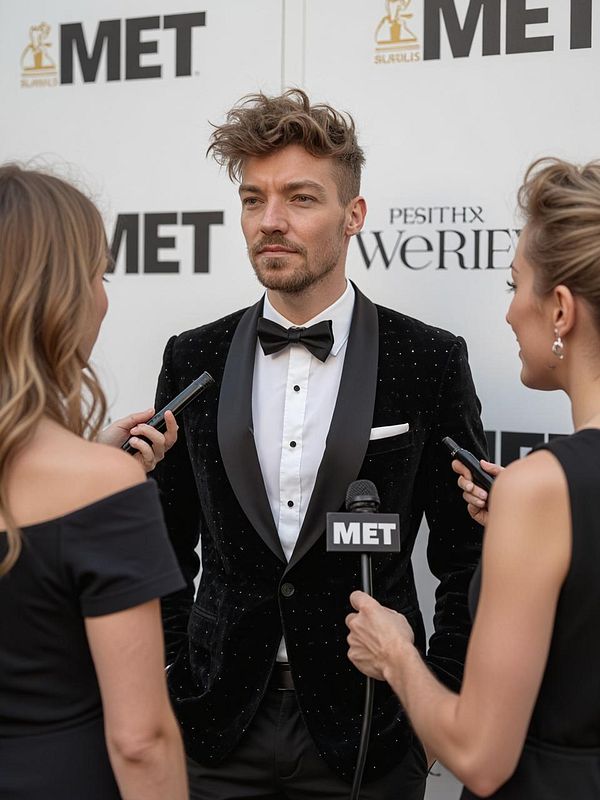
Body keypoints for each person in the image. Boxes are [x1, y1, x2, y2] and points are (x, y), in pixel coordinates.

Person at [154, 88, 486, 799]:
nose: (270, 222)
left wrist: (441, 700)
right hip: (215, 726)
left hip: (369, 727)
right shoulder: (193, 360)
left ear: (354, 215)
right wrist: (176, 674)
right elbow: (162, 541)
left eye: (300, 198)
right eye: (253, 199)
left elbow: (468, 551)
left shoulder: (426, 358)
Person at [346, 158, 600, 799]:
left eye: (516, 285)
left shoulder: (543, 491)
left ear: (562, 310)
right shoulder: (540, 497)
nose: (512, 313)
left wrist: (396, 654)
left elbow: (478, 756)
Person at [0, 164, 188, 800]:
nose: (104, 296)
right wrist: (98, 480)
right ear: (56, 296)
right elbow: (141, 741)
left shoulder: (97, 474)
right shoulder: (102, 484)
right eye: (99, 274)